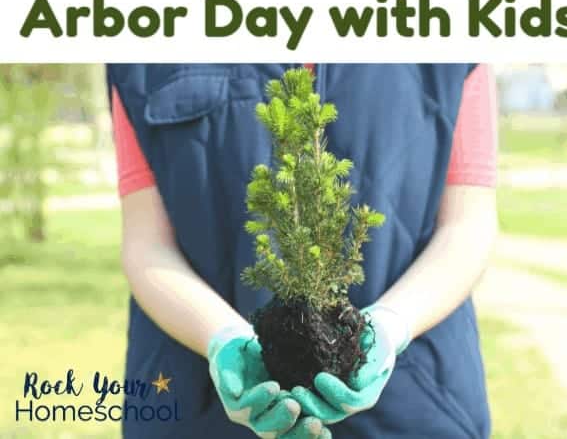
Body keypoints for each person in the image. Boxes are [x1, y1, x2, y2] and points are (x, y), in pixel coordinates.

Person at [108, 63, 498, 437]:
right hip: (200, 409)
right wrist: (220, 337)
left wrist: (392, 324)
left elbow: (466, 225)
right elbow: (147, 243)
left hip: (414, 405)